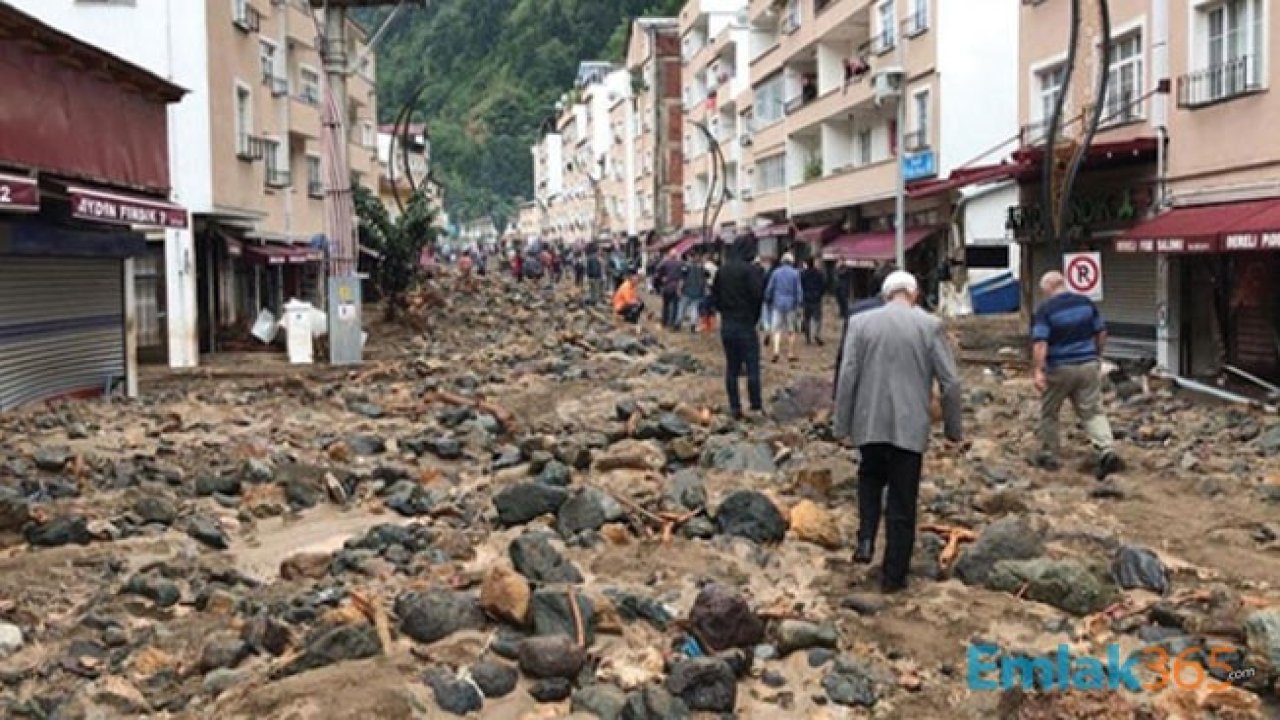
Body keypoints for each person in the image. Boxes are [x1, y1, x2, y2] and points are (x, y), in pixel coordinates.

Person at [833, 271, 964, 593]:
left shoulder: (861, 324)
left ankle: (865, 538)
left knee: (870, 477)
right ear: (914, 294)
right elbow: (951, 383)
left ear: (885, 295)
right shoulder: (929, 325)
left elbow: (847, 374)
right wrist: (953, 428)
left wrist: (841, 424)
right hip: (910, 425)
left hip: (870, 422)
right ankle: (894, 577)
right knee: (903, 501)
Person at [1031, 271, 1123, 479]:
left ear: (1048, 288)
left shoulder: (1046, 310)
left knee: (1050, 411)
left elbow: (1040, 343)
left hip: (1060, 368)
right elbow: (1101, 331)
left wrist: (1038, 370)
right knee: (1092, 411)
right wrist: (1097, 355)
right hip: (1088, 364)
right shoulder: (1085, 303)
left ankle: (1050, 453)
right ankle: (1106, 448)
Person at [711, 237, 766, 419]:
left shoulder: (722, 271)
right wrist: (753, 317)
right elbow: (758, 296)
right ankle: (755, 405)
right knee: (752, 367)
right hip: (746, 324)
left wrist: (725, 312)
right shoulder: (750, 271)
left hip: (728, 324)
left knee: (732, 368)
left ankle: (734, 406)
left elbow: (714, 297)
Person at [764, 253, 804, 362]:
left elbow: (770, 288)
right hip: (791, 304)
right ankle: (790, 353)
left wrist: (768, 298)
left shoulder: (776, 273)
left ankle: (776, 351)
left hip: (777, 304)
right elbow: (798, 290)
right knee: (791, 329)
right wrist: (799, 303)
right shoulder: (796, 274)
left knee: (776, 329)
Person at [679, 251, 709, 333]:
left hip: (687, 291)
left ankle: (677, 323)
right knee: (694, 309)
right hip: (698, 292)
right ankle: (693, 325)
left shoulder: (686, 267)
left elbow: (682, 279)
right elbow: (705, 280)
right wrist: (705, 290)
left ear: (691, 257)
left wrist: (679, 289)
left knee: (682, 308)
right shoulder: (702, 268)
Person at [800, 258, 826, 345]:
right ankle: (816, 334)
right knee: (817, 318)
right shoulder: (819, 274)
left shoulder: (803, 274)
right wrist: (819, 294)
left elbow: (801, 286)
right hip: (816, 299)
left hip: (806, 299)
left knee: (806, 319)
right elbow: (823, 285)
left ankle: (808, 338)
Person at [656, 250, 684, 330]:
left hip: (667, 286)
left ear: (669, 255)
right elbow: (683, 275)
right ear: (676, 256)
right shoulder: (680, 264)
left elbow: (657, 270)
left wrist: (661, 279)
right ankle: (673, 322)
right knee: (675, 306)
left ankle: (664, 322)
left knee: (666, 306)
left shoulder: (665, 263)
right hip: (676, 287)